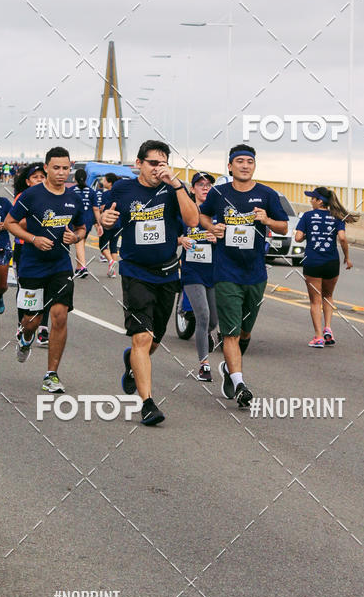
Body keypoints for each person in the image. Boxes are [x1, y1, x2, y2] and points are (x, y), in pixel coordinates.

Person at [101, 140, 199, 426]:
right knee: (142, 337)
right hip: (136, 272)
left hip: (167, 273)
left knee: (154, 341)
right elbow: (107, 221)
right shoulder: (122, 189)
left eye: (163, 163)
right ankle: (147, 404)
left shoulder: (173, 190)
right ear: (139, 164)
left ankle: (132, 363)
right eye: (153, 163)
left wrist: (177, 185)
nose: (158, 168)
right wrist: (106, 220)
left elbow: (192, 220)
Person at [200, 145, 288, 409]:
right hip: (226, 272)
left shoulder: (267, 194)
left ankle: (230, 369)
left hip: (255, 274)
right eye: (239, 161)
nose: (245, 165)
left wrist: (267, 220)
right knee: (231, 333)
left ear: (254, 166)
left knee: (245, 333)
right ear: (230, 166)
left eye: (249, 161)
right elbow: (202, 215)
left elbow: (284, 226)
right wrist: (212, 227)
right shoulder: (219, 193)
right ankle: (240, 385)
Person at [4, 147, 86, 393]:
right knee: (32, 321)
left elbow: (82, 228)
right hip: (32, 266)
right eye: (56, 168)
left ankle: (51, 374)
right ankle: (26, 337)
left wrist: (75, 237)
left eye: (65, 168)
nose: (61, 172)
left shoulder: (74, 198)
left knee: (60, 316)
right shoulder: (31, 195)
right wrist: (33, 239)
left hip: (60, 266)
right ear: (47, 168)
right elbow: (9, 223)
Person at [294, 187, 358, 347]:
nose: (311, 201)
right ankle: (328, 329)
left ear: (319, 201)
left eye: (312, 198)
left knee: (315, 301)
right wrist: (347, 258)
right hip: (331, 262)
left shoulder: (307, 216)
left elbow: (298, 238)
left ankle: (318, 337)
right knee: (328, 296)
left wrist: (309, 235)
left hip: (313, 262)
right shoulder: (337, 217)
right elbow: (342, 238)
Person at [178, 172, 218, 382]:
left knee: (213, 321)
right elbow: (170, 234)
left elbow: (229, 240)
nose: (205, 188)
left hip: (213, 271)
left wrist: (217, 238)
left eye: (209, 184)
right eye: (200, 184)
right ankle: (204, 365)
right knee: (203, 315)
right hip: (192, 272)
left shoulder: (217, 213)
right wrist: (181, 239)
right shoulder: (185, 211)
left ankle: (205, 332)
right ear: (192, 189)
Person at [12, 162, 51, 344]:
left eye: (42, 177)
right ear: (28, 181)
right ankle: (23, 324)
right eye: (35, 177)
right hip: (24, 248)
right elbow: (14, 222)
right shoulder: (22, 197)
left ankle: (43, 328)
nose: (39, 180)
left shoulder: (54, 196)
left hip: (49, 248)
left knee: (48, 289)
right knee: (25, 289)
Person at [72, 168, 102, 278]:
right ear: (86, 178)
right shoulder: (91, 191)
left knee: (79, 242)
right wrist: (99, 224)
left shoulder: (71, 191)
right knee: (81, 243)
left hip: (76, 220)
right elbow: (96, 209)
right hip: (88, 220)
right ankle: (78, 268)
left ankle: (83, 267)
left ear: (74, 178)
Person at [98, 172, 120, 275]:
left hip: (108, 223)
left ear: (109, 182)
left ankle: (111, 261)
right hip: (118, 223)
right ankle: (113, 271)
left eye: (104, 180)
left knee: (102, 245)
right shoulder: (120, 194)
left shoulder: (106, 194)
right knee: (113, 246)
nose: (103, 182)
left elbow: (102, 208)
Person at [0, 194, 13, 314]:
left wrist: (5, 225)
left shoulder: (4, 202)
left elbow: (14, 221)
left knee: (2, 286)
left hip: (1, 245)